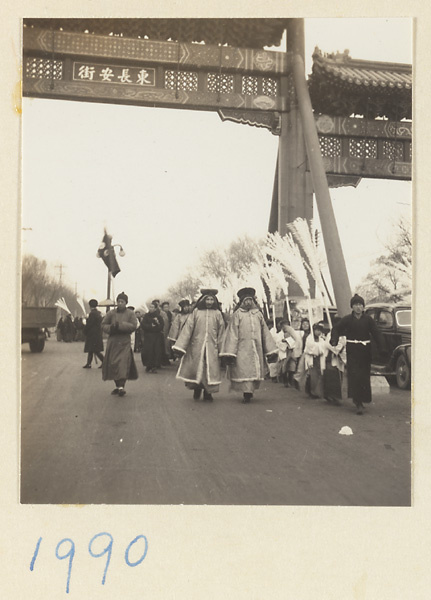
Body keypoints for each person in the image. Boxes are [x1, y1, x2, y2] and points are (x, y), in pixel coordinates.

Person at [220, 287, 278, 404]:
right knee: (244, 370)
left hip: (256, 348)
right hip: (242, 348)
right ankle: (247, 393)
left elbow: (265, 333)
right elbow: (232, 333)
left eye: (250, 300)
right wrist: (230, 352)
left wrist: (270, 350)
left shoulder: (258, 315)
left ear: (253, 301)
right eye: (245, 300)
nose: (248, 303)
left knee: (253, 370)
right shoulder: (237, 315)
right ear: (241, 301)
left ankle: (249, 392)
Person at [330, 293, 383, 415]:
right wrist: (334, 339)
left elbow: (376, 333)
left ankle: (362, 400)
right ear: (352, 307)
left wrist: (382, 348)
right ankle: (357, 402)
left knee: (364, 376)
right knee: (354, 375)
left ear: (363, 307)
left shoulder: (368, 320)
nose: (358, 307)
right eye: (356, 305)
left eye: (360, 305)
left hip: (365, 352)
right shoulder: (347, 319)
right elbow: (336, 329)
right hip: (353, 351)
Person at [172, 289, 225, 402]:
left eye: (211, 299)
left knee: (209, 369)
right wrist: (180, 347)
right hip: (197, 346)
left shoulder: (217, 314)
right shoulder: (196, 312)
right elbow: (188, 329)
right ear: (203, 300)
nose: (209, 302)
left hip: (211, 347)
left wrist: (222, 350)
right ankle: (197, 389)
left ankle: (208, 392)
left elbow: (221, 333)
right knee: (196, 368)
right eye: (207, 299)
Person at [101, 292, 138, 397]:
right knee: (113, 364)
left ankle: (121, 386)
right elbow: (103, 325)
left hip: (124, 342)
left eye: (122, 302)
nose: (120, 303)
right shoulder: (111, 313)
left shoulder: (130, 314)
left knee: (122, 364)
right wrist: (111, 328)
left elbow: (133, 326)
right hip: (113, 342)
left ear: (126, 303)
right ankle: (118, 386)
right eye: (118, 301)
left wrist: (120, 326)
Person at [323, 317, 347, 406]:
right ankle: (331, 396)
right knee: (331, 376)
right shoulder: (330, 333)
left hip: (339, 358)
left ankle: (335, 396)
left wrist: (339, 350)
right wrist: (335, 348)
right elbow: (327, 344)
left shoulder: (344, 335)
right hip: (331, 357)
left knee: (338, 376)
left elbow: (342, 346)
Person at [140, 302, 165, 373]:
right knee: (147, 351)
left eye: (152, 307)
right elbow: (143, 325)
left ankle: (154, 366)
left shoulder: (159, 317)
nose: (151, 308)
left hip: (156, 336)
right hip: (147, 336)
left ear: (155, 308)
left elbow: (161, 326)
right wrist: (150, 326)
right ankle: (148, 365)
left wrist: (156, 325)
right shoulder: (146, 316)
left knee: (155, 351)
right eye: (150, 307)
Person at [304, 323, 326, 398]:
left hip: (319, 359)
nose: (318, 332)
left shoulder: (322, 339)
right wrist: (318, 348)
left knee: (319, 375)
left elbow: (324, 347)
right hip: (311, 358)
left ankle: (316, 391)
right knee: (313, 375)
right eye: (317, 330)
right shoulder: (309, 338)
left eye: (320, 330)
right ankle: (311, 391)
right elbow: (310, 348)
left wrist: (318, 347)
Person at [82, 299, 104, 368]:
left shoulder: (92, 314)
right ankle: (89, 363)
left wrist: (85, 330)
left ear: (90, 306)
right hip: (97, 334)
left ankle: (105, 362)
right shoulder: (98, 313)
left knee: (94, 350)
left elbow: (89, 324)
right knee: (91, 350)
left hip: (92, 335)